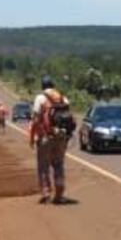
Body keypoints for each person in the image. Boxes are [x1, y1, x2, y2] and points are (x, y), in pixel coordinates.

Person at [29, 76, 74, 204]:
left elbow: (36, 120)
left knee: (43, 166)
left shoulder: (40, 98)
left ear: (42, 86)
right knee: (58, 165)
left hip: (46, 137)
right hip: (61, 137)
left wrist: (33, 137)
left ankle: (46, 193)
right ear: (53, 85)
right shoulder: (62, 98)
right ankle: (59, 195)